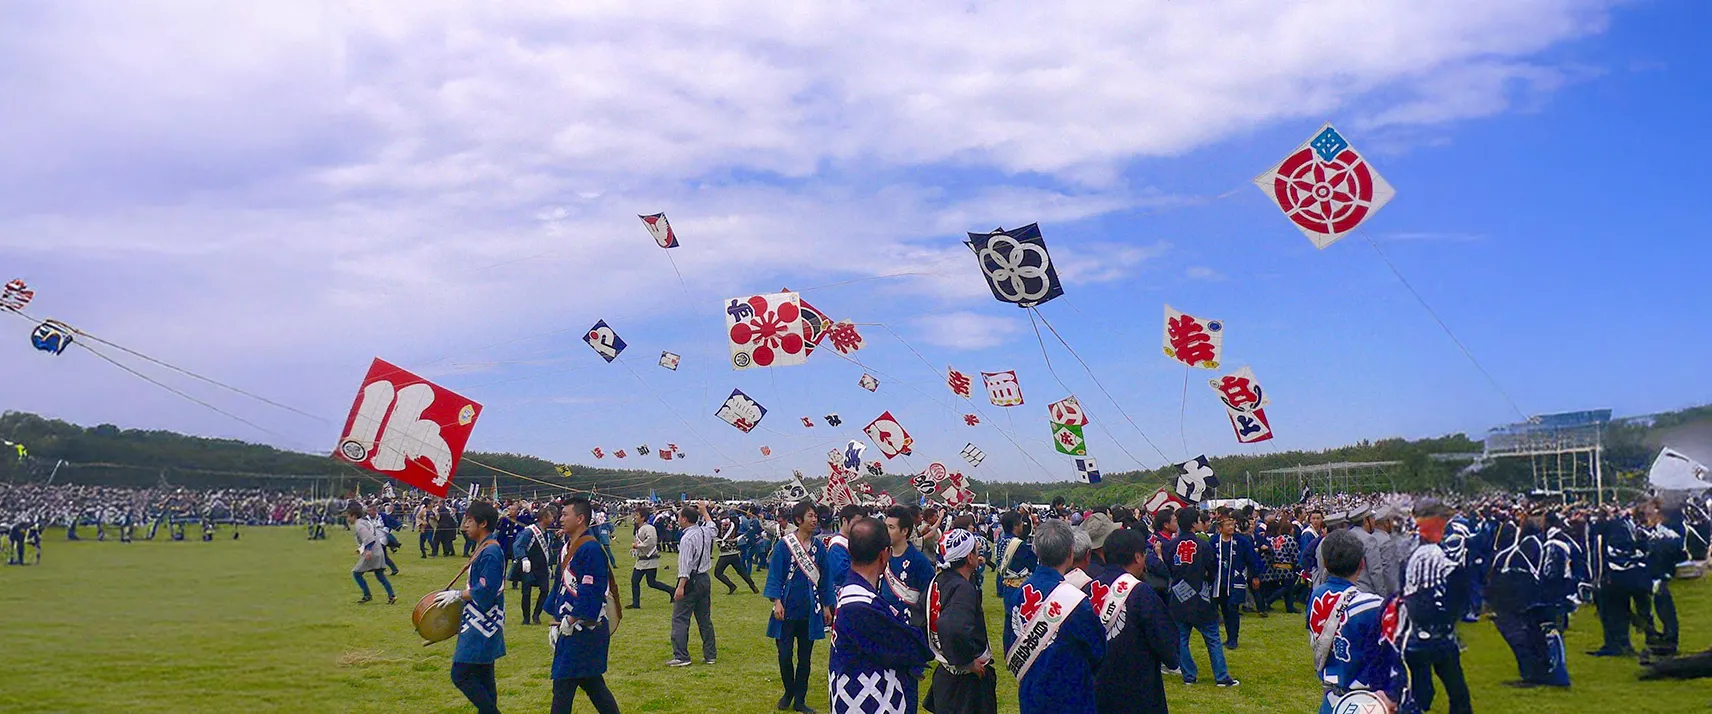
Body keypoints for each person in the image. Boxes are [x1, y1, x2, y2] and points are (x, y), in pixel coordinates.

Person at [828, 517, 932, 714]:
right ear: (884, 555)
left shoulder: (856, 594)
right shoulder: (859, 604)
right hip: (866, 700)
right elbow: (911, 647)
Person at [1002, 518, 1104, 714]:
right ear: (1070, 553)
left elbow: (1009, 644)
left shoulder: (1020, 592)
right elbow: (1097, 651)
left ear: (1037, 552)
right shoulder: (1076, 602)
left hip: (1032, 694)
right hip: (1071, 696)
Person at [1307, 529, 1406, 714]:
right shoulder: (1373, 606)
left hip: (1331, 695)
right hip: (1366, 698)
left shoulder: (1316, 595)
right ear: (1362, 564)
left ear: (1326, 564)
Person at [429, 500, 507, 714]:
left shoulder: (491, 552)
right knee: (483, 677)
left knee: (461, 674)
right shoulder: (484, 547)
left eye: (469, 521)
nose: (465, 525)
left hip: (482, 623)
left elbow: (487, 590)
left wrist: (458, 595)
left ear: (482, 523)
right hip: (480, 620)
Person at [547, 496, 621, 714]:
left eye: (565, 514)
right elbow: (560, 585)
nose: (560, 518)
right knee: (592, 684)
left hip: (583, 628)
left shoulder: (590, 549)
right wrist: (555, 619)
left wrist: (571, 618)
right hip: (570, 626)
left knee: (563, 684)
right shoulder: (567, 547)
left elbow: (592, 590)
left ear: (580, 518)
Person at [1092, 529, 1178, 714]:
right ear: (1138, 557)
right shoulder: (1142, 593)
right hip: (1138, 690)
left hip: (1095, 690)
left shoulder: (1087, 589)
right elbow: (1168, 647)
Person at [1401, 498, 1473, 714]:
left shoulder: (1410, 551)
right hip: (1438, 637)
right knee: (1458, 694)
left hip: (1415, 635)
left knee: (1422, 693)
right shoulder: (1442, 552)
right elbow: (1455, 595)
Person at [764, 500, 835, 714]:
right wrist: (776, 601)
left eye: (815, 516)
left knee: (805, 657)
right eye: (810, 516)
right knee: (784, 655)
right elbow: (775, 574)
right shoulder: (784, 545)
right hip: (786, 609)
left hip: (809, 611)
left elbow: (825, 578)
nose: (815, 520)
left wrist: (826, 606)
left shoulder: (819, 547)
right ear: (798, 520)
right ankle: (789, 692)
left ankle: (800, 699)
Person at [925, 529, 998, 714]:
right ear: (969, 558)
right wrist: (966, 662)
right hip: (965, 684)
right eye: (975, 550)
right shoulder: (962, 589)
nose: (978, 552)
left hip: (947, 674)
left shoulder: (939, 580)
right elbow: (953, 628)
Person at [1166, 506, 1236, 687]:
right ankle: (1221, 676)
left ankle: (1189, 675)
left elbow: (1168, 568)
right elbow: (1212, 570)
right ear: (1193, 523)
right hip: (1201, 597)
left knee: (1181, 639)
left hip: (1178, 597)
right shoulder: (1204, 545)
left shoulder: (1170, 545)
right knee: (1213, 638)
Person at [668, 502, 718, 667]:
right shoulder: (704, 531)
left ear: (684, 519)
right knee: (704, 619)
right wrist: (705, 511)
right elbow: (713, 527)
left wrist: (680, 586)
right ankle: (710, 655)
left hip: (690, 580)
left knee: (680, 618)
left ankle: (681, 656)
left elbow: (685, 565)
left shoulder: (687, 538)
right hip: (704, 579)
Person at [1640, 504, 1685, 661]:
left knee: (1665, 609)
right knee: (1661, 607)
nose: (1647, 517)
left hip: (1662, 574)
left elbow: (1676, 550)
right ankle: (1666, 638)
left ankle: (1670, 640)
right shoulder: (1658, 530)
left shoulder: (1668, 531)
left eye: (1650, 514)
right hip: (1656, 574)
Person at [882, 505, 935, 628]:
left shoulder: (919, 561)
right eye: (885, 527)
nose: (886, 531)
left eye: (891, 527)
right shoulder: (881, 556)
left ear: (904, 531)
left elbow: (929, 600)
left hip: (910, 629)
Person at [1210, 516, 1259, 649]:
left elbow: (1251, 559)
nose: (1231, 528)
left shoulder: (1241, 542)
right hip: (1219, 581)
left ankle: (1234, 638)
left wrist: (1255, 576)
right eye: (1227, 525)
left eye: (1232, 525)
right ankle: (1229, 636)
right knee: (1225, 609)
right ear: (1220, 528)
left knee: (1233, 608)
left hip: (1235, 580)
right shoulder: (1214, 541)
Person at [347, 502, 395, 605]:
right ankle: (392, 595)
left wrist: (368, 550)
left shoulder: (359, 525)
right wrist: (361, 548)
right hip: (378, 550)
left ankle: (367, 595)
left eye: (348, 516)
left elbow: (369, 538)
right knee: (380, 575)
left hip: (372, 552)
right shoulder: (364, 522)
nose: (348, 519)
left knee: (356, 573)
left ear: (354, 516)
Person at [629, 506, 676, 609]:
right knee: (636, 581)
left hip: (650, 560)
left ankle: (672, 591)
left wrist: (638, 546)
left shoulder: (649, 528)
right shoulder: (639, 528)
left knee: (651, 582)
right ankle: (636, 604)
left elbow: (651, 542)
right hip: (641, 560)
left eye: (637, 515)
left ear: (643, 517)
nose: (635, 517)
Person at [514, 511, 552, 626]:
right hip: (529, 567)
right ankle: (526, 618)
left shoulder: (547, 533)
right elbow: (518, 545)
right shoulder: (529, 532)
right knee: (526, 593)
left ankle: (536, 615)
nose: (553, 519)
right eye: (550, 517)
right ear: (544, 518)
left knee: (545, 590)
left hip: (542, 568)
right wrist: (523, 558)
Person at [715, 510, 760, 595]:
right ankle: (753, 586)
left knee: (717, 573)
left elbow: (713, 521)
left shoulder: (718, 526)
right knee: (742, 572)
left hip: (724, 555)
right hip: (735, 553)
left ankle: (731, 586)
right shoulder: (734, 524)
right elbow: (736, 518)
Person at [995, 511, 1036, 603]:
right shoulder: (1018, 545)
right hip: (1018, 587)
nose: (1022, 524)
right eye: (1021, 522)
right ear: (1015, 526)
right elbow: (1033, 564)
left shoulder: (1001, 541)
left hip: (1006, 586)